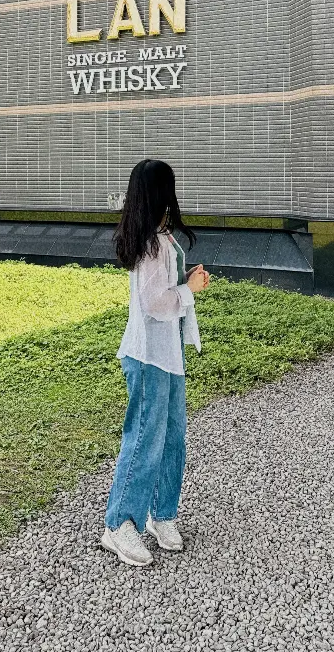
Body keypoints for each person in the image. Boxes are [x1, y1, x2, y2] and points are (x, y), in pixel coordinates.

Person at [101, 159, 210, 566]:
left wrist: (185, 282)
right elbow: (154, 303)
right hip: (148, 357)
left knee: (172, 437)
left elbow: (164, 294)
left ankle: (161, 515)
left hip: (167, 355)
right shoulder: (150, 244)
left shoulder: (158, 239)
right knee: (145, 439)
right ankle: (119, 524)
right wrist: (190, 289)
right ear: (161, 194)